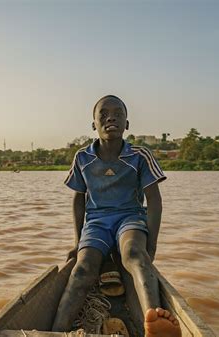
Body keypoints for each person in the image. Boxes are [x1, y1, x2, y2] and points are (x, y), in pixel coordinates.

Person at [52, 95, 181, 337]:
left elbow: (154, 200)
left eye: (118, 113)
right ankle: (55, 332)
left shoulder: (139, 155)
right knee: (82, 270)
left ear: (127, 124)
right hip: (97, 223)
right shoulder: (82, 157)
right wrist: (77, 241)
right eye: (103, 114)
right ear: (94, 125)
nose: (111, 117)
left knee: (134, 255)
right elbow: (79, 199)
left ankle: (153, 319)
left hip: (129, 218)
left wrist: (150, 245)